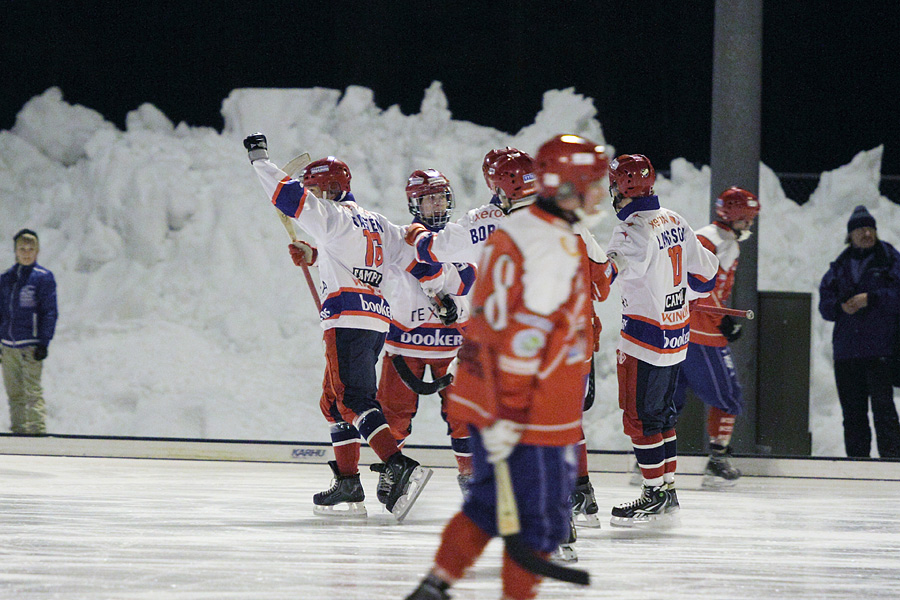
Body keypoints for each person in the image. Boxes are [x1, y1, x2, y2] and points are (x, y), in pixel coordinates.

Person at [404, 134, 609, 600]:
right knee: (535, 520)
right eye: (589, 180)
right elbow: (579, 296)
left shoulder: (498, 226)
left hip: (489, 382)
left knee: (490, 504)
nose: (597, 191)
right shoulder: (550, 237)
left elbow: (434, 257)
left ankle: (436, 584)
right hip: (524, 390)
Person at [243, 134, 432, 521]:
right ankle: (348, 483)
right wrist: (314, 255)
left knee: (354, 400)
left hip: (346, 320)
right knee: (333, 402)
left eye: (315, 189)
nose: (311, 195)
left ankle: (398, 465)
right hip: (375, 320)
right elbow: (390, 258)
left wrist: (259, 160)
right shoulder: (377, 223)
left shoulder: (331, 216)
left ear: (329, 188)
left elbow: (287, 195)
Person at [605, 154, 718, 526]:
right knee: (662, 414)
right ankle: (667, 490)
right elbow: (705, 277)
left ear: (618, 187)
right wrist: (677, 291)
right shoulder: (675, 219)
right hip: (677, 333)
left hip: (644, 335)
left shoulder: (631, 228)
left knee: (639, 417)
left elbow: (606, 275)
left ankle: (653, 493)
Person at [378, 169, 477, 493]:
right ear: (414, 203)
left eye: (440, 197)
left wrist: (441, 282)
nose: (436, 204)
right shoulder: (401, 238)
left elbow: (467, 281)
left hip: (452, 349)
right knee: (393, 416)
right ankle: (391, 472)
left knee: (464, 416)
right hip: (405, 346)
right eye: (428, 198)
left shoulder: (458, 237)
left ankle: (470, 475)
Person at [672, 187, 761, 487]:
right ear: (735, 216)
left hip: (680, 326)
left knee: (670, 397)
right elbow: (703, 285)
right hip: (702, 330)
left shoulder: (705, 236)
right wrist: (723, 319)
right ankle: (717, 462)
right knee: (729, 394)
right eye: (747, 219)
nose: (750, 225)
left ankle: (647, 462)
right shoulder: (720, 242)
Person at [818, 205, 900, 458]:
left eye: (870, 228)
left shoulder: (889, 259)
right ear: (850, 235)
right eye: (861, 229)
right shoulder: (839, 266)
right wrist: (840, 307)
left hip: (880, 351)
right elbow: (825, 306)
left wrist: (871, 298)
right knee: (853, 415)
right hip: (847, 354)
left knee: (884, 411)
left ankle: (892, 463)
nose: (867, 233)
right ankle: (857, 464)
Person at [1, 229, 58, 435]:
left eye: (30, 249)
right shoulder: (6, 278)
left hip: (30, 346)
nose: (26, 253)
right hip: (8, 346)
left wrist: (43, 342)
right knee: (14, 395)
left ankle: (36, 433)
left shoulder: (42, 278)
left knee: (32, 391)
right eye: (22, 249)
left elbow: (49, 311)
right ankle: (18, 433)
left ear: (37, 251)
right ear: (15, 251)